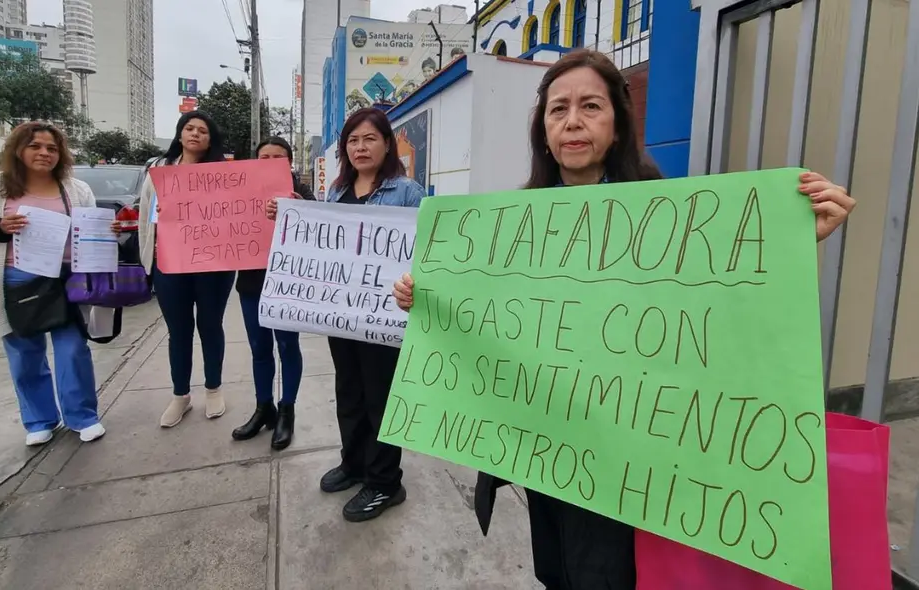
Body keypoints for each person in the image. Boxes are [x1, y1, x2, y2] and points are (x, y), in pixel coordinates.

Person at [390, 49, 857, 589]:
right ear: (543, 132)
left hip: (629, 455)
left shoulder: (667, 215)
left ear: (616, 126)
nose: (573, 121)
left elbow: (722, 311)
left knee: (606, 574)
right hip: (544, 443)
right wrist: (424, 299)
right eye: (558, 109)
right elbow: (486, 320)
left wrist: (790, 245)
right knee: (556, 570)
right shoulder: (513, 223)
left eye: (591, 106)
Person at [264, 108, 425, 522]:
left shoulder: (407, 192)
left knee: (381, 400)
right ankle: (353, 463)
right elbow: (321, 237)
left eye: (369, 138)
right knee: (349, 394)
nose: (360, 147)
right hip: (344, 318)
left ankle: (387, 482)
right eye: (353, 140)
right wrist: (292, 213)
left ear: (387, 144)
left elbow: (424, 253)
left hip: (385, 318)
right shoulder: (337, 193)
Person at [0, 121, 110, 446]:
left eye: (52, 148)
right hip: (16, 282)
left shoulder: (77, 189)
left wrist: (109, 236)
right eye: (35, 146)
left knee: (74, 351)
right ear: (18, 150)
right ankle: (39, 420)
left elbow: (92, 232)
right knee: (25, 356)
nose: (44, 153)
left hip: (66, 283)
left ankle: (83, 417)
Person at [138, 111, 235, 428]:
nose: (195, 134)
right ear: (179, 134)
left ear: (211, 139)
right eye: (189, 128)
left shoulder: (222, 173)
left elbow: (233, 215)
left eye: (203, 130)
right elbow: (145, 219)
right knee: (178, 331)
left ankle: (213, 388)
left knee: (210, 325)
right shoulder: (158, 171)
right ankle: (180, 395)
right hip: (170, 264)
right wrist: (147, 261)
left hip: (213, 265)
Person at [232, 137, 315, 450]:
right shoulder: (241, 190)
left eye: (277, 157)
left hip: (287, 282)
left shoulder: (302, 192)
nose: (269, 162)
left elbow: (322, 228)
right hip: (252, 282)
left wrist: (297, 207)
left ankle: (287, 410)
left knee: (287, 344)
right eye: (263, 156)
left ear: (289, 163)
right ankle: (262, 407)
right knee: (259, 347)